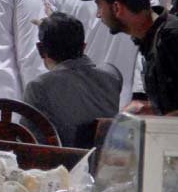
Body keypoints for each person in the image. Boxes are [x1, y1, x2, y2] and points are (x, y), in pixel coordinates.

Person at [23, 13, 121, 148]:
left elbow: (31, 143)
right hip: (107, 162)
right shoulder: (112, 75)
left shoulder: (39, 87)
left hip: (67, 164)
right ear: (84, 46)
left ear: (40, 49)